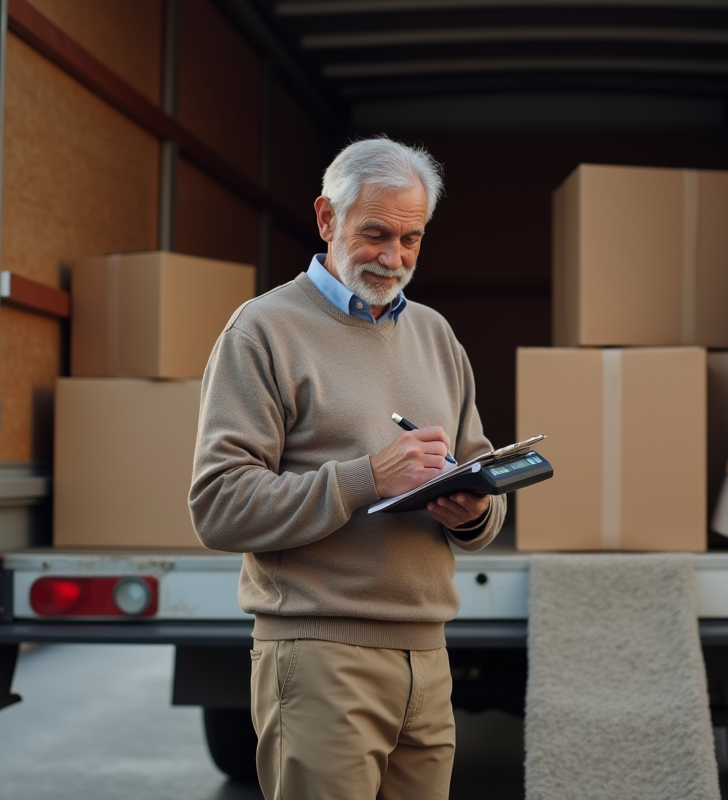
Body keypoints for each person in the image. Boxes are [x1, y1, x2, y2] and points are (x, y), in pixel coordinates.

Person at [188, 137, 506, 800]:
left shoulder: (437, 335)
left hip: (429, 657)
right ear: (327, 219)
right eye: (376, 234)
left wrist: (475, 510)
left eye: (411, 238)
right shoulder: (262, 331)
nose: (394, 257)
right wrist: (368, 478)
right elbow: (217, 506)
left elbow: (479, 468)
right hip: (319, 655)